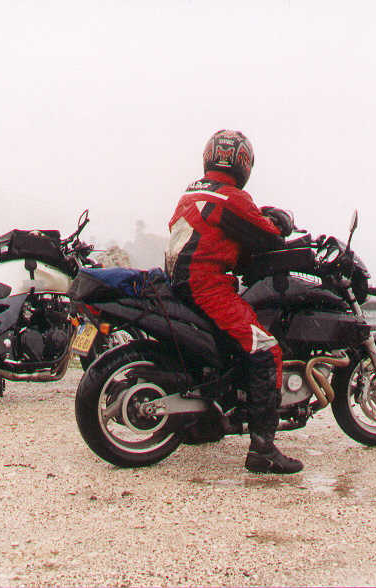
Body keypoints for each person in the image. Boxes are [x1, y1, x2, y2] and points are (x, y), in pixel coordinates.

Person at [164, 129, 302, 474]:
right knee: (266, 348)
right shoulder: (232, 199)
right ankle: (263, 449)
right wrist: (280, 221)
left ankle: (204, 423)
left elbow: (219, 238)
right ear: (243, 163)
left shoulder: (191, 194)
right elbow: (266, 237)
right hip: (207, 287)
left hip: (180, 284)